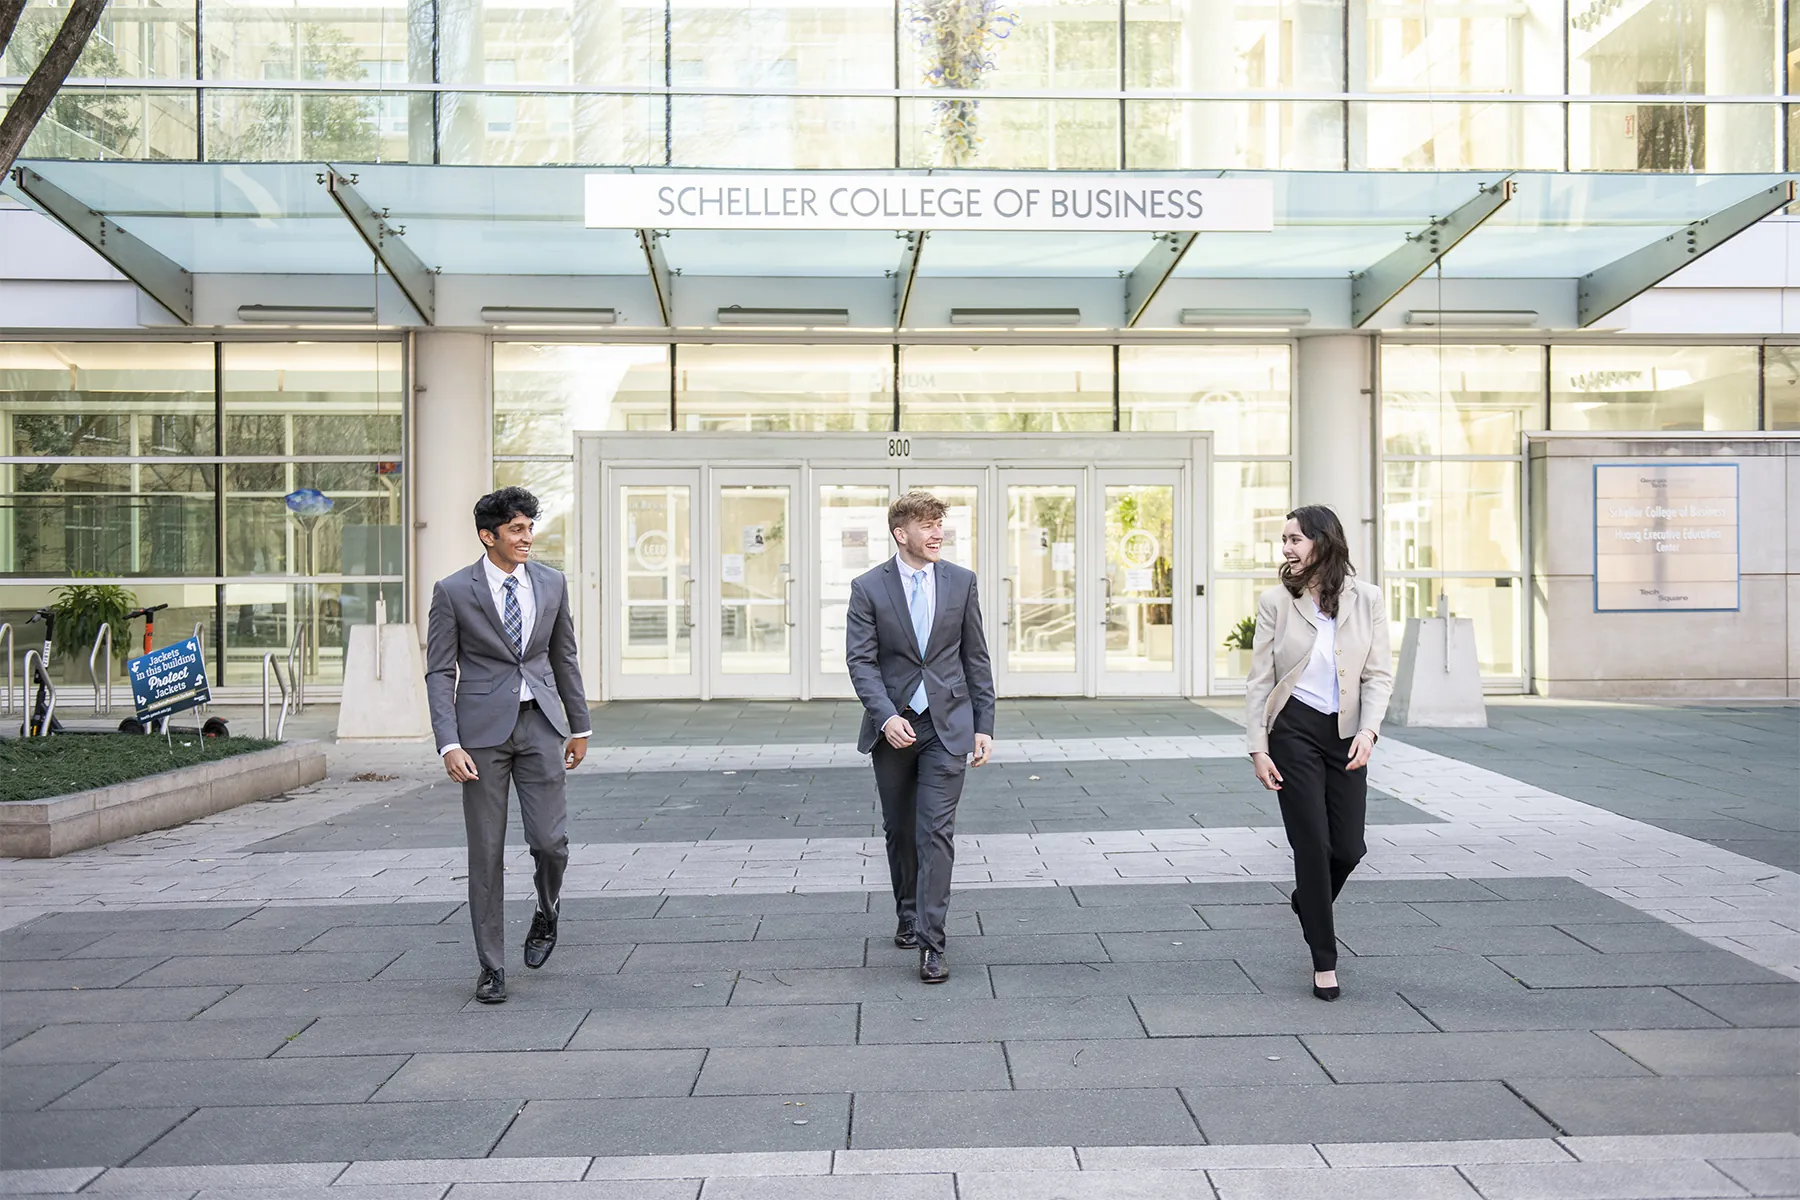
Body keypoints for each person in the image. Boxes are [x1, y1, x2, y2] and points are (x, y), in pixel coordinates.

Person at [425, 486, 591, 1005]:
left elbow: (565, 657)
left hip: (541, 724)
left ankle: (547, 908)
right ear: (487, 535)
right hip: (480, 737)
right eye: (517, 529)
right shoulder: (453, 591)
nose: (527, 537)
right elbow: (439, 671)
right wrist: (448, 743)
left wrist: (579, 727)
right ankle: (492, 966)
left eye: (529, 527)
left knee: (549, 843)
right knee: (487, 853)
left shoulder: (552, 582)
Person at [846, 490, 996, 984]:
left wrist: (983, 724)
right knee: (901, 829)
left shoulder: (961, 582)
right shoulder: (868, 587)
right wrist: (886, 716)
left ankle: (932, 942)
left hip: (947, 726)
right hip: (894, 728)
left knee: (936, 831)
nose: (937, 533)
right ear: (900, 533)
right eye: (927, 525)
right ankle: (907, 911)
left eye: (940, 525)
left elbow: (976, 657)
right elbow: (861, 662)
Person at [1244, 504, 1392, 1002]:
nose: (1286, 547)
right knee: (1312, 844)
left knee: (1349, 848)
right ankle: (1324, 961)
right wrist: (1258, 748)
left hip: (1346, 732)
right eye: (1284, 539)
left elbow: (1378, 675)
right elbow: (1260, 680)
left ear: (1322, 542)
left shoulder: (1367, 599)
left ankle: (1308, 901)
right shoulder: (1276, 602)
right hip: (1294, 730)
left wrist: (1368, 733)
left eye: (1295, 539)